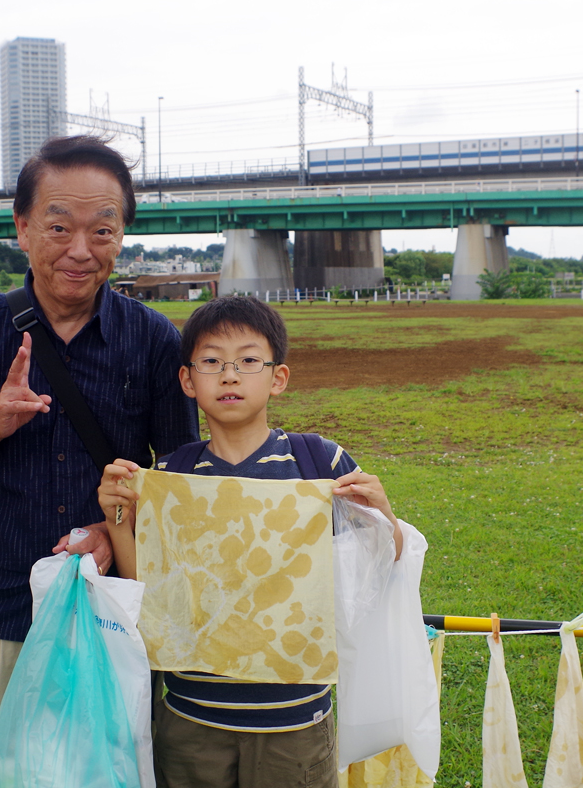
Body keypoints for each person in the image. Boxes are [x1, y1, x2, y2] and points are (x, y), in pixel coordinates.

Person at [0, 135, 199, 783]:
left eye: (103, 230)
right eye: (59, 227)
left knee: (105, 773)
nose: (80, 250)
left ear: (123, 236)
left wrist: (113, 534)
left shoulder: (152, 340)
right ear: (24, 227)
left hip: (106, 611)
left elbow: (179, 478)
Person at [98, 295, 403, 788]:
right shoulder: (173, 476)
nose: (230, 375)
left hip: (295, 720)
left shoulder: (318, 463)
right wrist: (117, 519)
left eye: (248, 361)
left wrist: (383, 518)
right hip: (190, 719)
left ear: (277, 377)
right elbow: (151, 597)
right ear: (187, 380)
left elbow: (379, 570)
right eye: (212, 361)